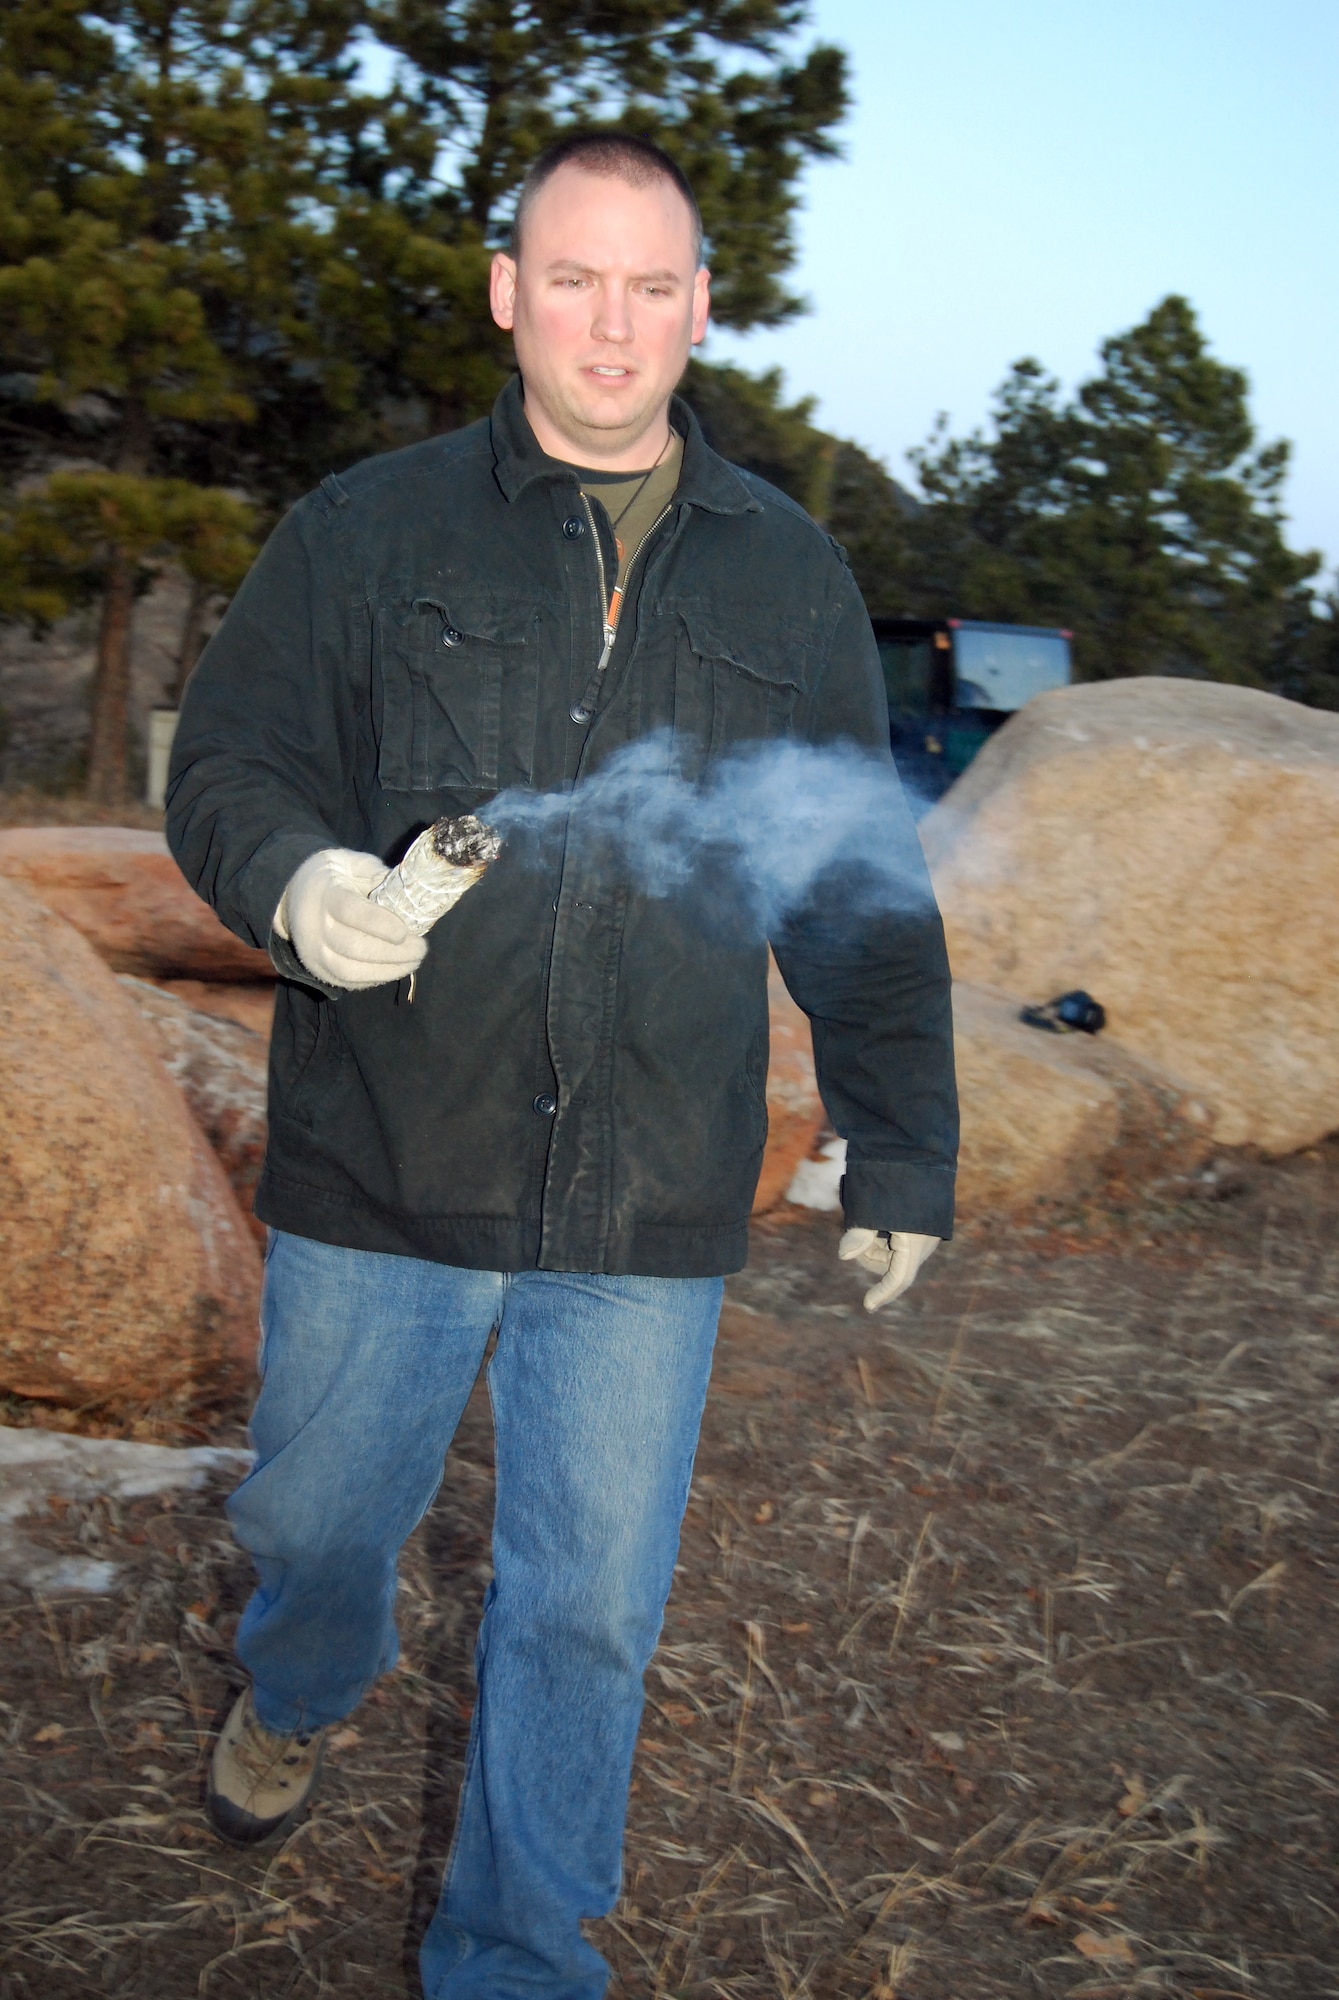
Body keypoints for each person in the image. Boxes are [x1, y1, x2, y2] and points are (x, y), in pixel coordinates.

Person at [166, 130, 957, 2000]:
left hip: (649, 1183)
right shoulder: (366, 532)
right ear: (511, 294)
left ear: (703, 305)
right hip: (389, 1154)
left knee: (586, 1613)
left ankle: (516, 1959)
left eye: (653, 284)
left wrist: (903, 1140)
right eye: (575, 280)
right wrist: (303, 882)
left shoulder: (787, 576)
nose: (615, 326)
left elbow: (848, 866)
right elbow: (229, 766)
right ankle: (300, 1676)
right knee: (319, 1524)